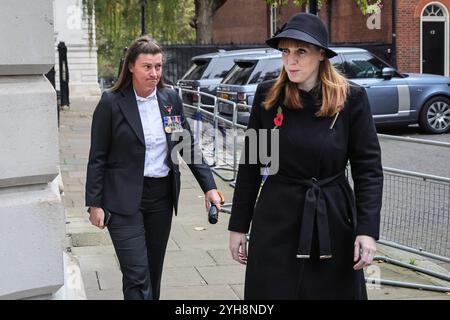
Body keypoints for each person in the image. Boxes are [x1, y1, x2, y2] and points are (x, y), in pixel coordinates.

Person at [228, 13, 383, 300]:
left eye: (301, 51)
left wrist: (367, 231)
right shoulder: (267, 97)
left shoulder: (351, 99)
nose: (291, 60)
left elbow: (368, 170)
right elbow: (250, 164)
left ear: (321, 55)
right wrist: (238, 225)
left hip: (332, 220)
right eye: (285, 51)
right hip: (276, 219)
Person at [85, 36, 222, 300]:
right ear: (131, 68)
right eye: (147, 66)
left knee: (151, 272)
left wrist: (210, 187)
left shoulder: (170, 98)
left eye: (158, 66)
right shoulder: (111, 103)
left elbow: (187, 146)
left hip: (160, 197)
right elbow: (97, 157)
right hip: (122, 199)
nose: (154, 73)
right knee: (137, 273)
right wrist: (94, 203)